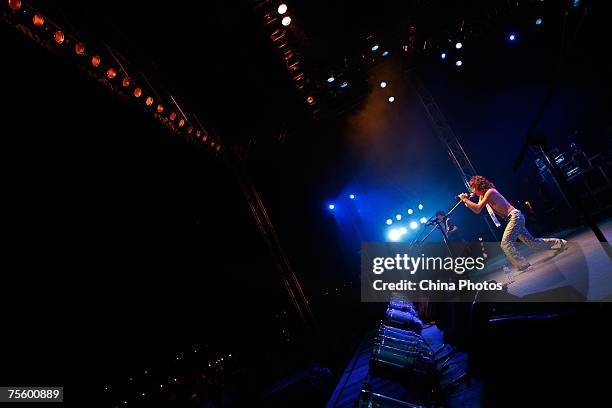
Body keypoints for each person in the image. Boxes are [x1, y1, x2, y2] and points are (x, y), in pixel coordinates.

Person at [458, 175, 567, 271]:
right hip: (513, 219)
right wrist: (466, 201)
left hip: (515, 217)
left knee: (505, 243)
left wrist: (465, 200)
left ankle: (523, 266)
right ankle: (560, 243)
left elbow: (477, 208)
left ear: (478, 186)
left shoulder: (490, 192)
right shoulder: (482, 196)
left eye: (473, 188)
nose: (472, 191)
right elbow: (476, 210)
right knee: (533, 243)